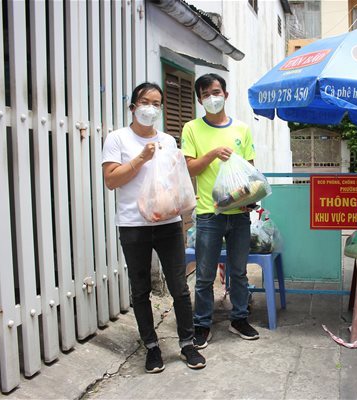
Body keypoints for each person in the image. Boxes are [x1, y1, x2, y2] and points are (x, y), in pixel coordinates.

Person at [101, 82, 206, 372]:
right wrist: (140, 159)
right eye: (146, 102)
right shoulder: (117, 139)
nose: (151, 108)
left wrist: (180, 203)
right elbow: (111, 181)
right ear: (133, 106)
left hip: (169, 223)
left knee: (179, 287)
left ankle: (187, 344)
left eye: (157, 103)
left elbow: (174, 181)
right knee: (140, 289)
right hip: (133, 225)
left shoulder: (169, 141)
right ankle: (151, 347)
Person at [181, 73, 259, 349]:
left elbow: (249, 169)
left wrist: (251, 198)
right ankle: (202, 323)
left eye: (216, 92)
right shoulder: (191, 129)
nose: (211, 98)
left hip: (238, 213)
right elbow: (189, 168)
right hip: (207, 214)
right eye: (205, 95)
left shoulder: (242, 129)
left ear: (226, 94)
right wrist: (213, 153)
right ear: (200, 100)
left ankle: (239, 318)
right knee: (204, 274)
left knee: (238, 271)